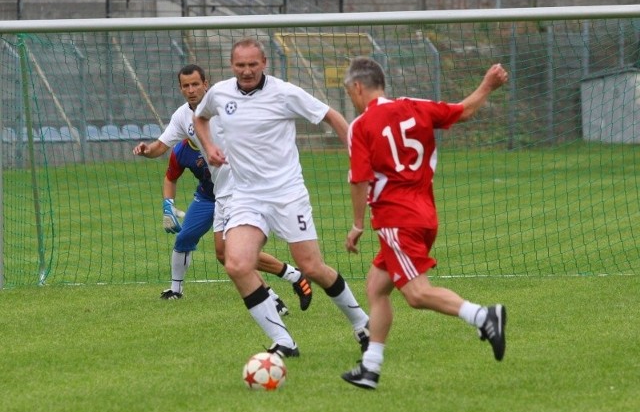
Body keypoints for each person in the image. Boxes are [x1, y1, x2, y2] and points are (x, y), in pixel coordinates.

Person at [193, 37, 370, 358]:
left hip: (287, 195)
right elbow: (200, 117)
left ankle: (361, 323)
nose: (246, 71)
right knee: (236, 264)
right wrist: (209, 146)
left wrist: (357, 152)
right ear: (232, 66)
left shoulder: (285, 92)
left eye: (252, 64)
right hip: (246, 196)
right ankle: (284, 342)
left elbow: (330, 115)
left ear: (264, 64)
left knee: (312, 266)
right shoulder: (219, 93)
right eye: (240, 65)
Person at [340, 57, 509, 390]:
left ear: (358, 87)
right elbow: (464, 111)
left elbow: (358, 180)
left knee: (416, 294)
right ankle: (371, 367)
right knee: (376, 287)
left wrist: (358, 224)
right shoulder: (416, 107)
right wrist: (487, 85)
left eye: (349, 92)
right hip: (425, 214)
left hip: (395, 219)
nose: (351, 98)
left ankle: (483, 316)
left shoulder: (361, 126)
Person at [133, 64, 313, 312]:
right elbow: (159, 148)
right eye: (186, 86)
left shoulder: (223, 103)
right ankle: (286, 285)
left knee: (235, 252)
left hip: (245, 188)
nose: (191, 90)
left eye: (195, 84)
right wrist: (146, 151)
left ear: (206, 84)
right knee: (223, 254)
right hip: (221, 191)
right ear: (180, 89)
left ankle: (282, 291)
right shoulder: (181, 117)